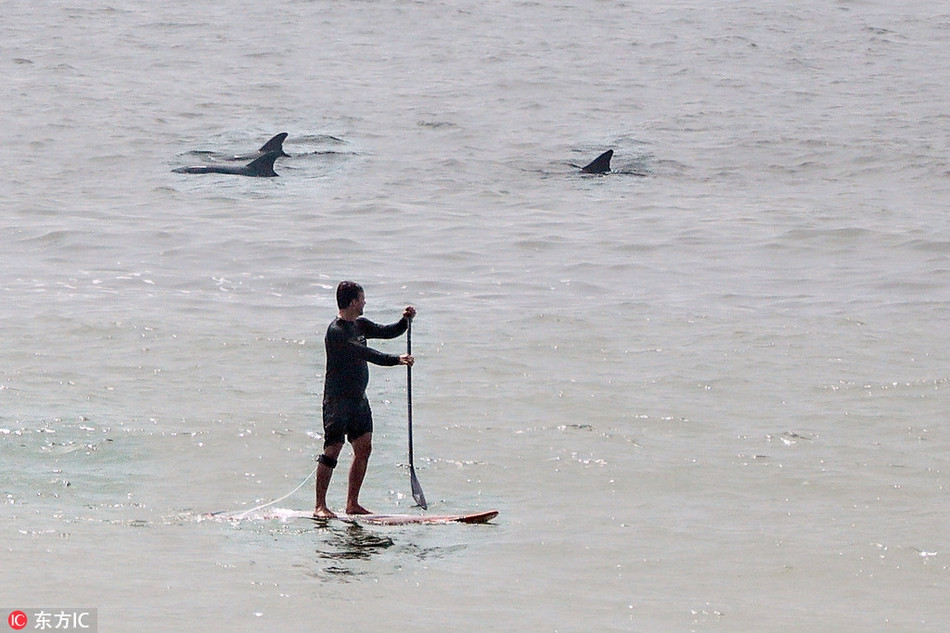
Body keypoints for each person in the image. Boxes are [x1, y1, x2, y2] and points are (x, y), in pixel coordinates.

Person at [314, 281, 415, 518]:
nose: (365, 302)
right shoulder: (336, 332)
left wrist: (405, 321)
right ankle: (320, 505)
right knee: (332, 450)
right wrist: (396, 360)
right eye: (362, 298)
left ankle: (352, 504)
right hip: (337, 401)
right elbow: (366, 354)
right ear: (352, 302)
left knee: (364, 447)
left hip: (359, 400)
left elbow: (387, 332)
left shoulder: (360, 325)